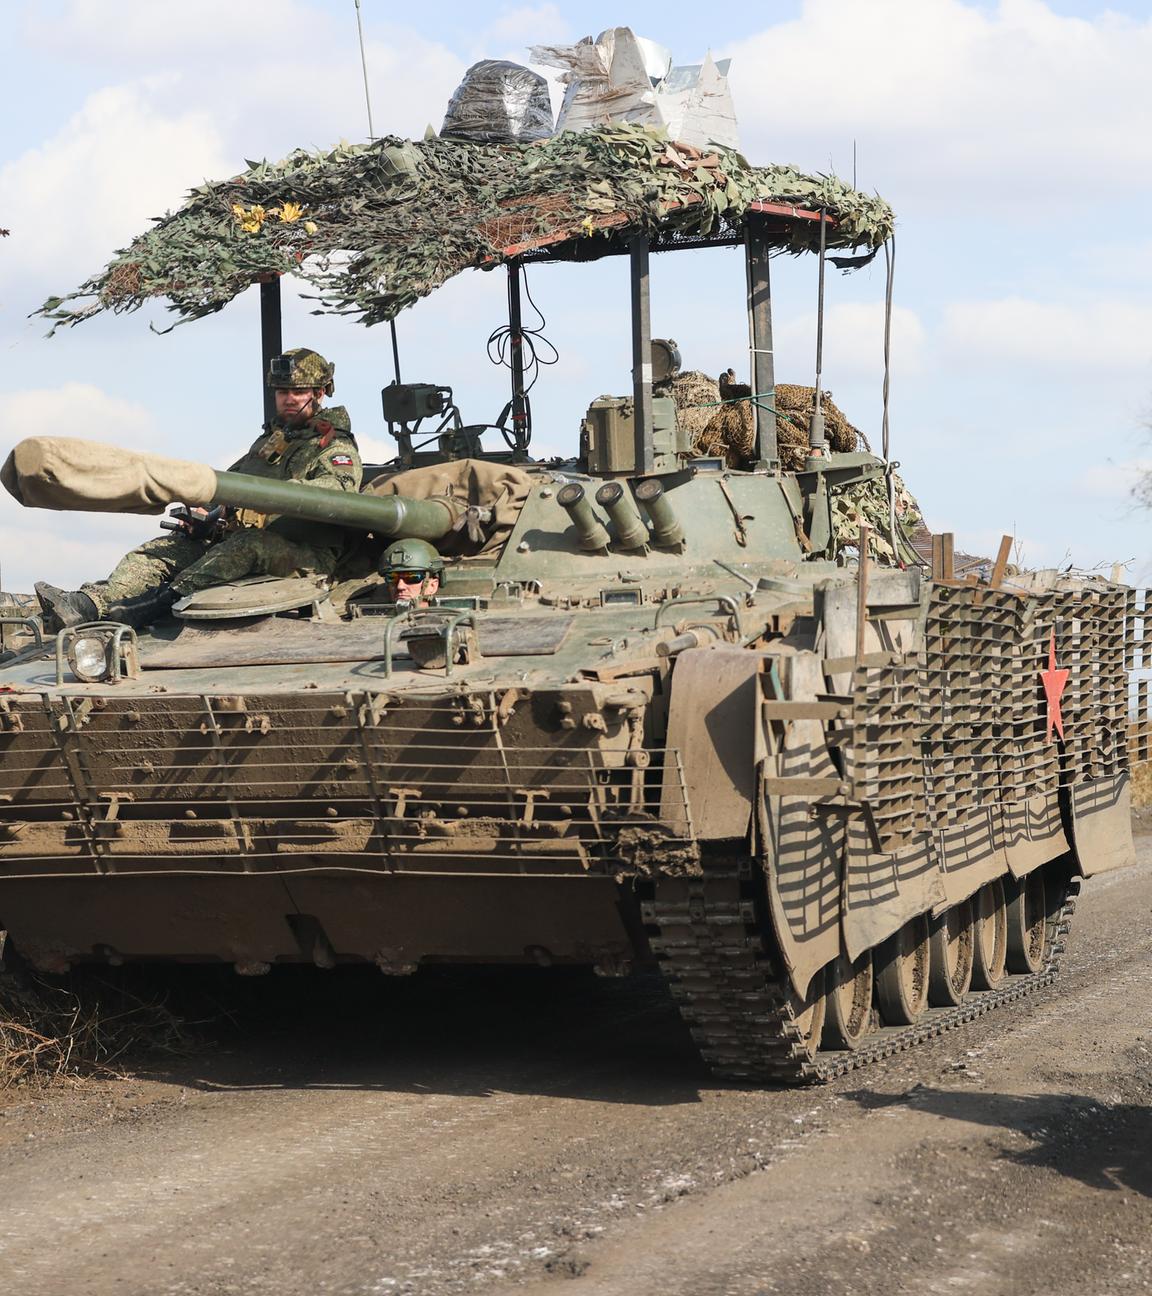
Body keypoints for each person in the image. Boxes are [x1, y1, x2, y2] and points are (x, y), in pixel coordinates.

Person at [36, 348, 362, 630]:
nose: (289, 399)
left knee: (248, 545)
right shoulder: (271, 443)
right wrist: (209, 511)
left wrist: (263, 503)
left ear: (320, 394)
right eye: (282, 392)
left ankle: (150, 607)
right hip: (236, 543)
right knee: (163, 549)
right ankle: (87, 605)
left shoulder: (333, 446)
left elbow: (336, 493)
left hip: (305, 556)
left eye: (300, 391)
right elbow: (232, 484)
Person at [380, 538, 444, 608]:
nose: (400, 586)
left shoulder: (449, 617)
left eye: (412, 578)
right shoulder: (376, 615)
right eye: (392, 578)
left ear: (432, 586)